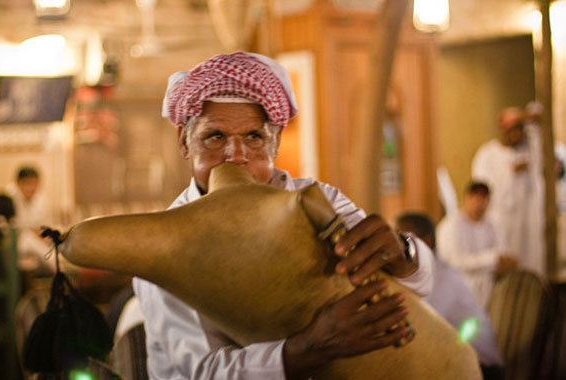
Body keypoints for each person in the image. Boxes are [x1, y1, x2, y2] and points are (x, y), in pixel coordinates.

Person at [132, 52, 435, 380]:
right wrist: (311, 348)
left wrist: (405, 255)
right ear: (184, 143)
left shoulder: (317, 201)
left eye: (254, 137)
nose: (235, 156)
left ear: (274, 145)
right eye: (215, 137)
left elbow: (422, 285)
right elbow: (206, 372)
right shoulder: (163, 243)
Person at [396, 212, 504, 380]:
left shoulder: (442, 277)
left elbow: (419, 329)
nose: (392, 246)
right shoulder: (419, 274)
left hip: (480, 368)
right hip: (453, 359)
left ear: (425, 242)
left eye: (400, 239)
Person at [471, 107, 544, 276]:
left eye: (519, 129)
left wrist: (525, 117)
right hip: (502, 225)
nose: (516, 135)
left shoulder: (529, 150)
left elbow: (539, 116)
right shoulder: (487, 155)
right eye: (512, 129)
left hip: (527, 227)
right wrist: (510, 173)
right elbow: (484, 191)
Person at [436, 181, 518, 307]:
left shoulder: (493, 225)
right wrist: (492, 259)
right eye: (476, 198)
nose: (480, 203)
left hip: (489, 290)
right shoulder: (451, 226)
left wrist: (502, 262)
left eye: (484, 198)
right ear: (467, 198)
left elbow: (503, 255)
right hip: (459, 291)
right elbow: (456, 261)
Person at [5, 166, 55, 275]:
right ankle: (56, 267)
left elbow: (46, 226)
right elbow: (13, 227)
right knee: (27, 237)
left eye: (34, 184)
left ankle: (55, 268)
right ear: (18, 183)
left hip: (38, 243)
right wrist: (34, 233)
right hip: (16, 243)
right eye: (27, 183)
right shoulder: (9, 198)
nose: (31, 188)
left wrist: (45, 235)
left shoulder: (42, 200)